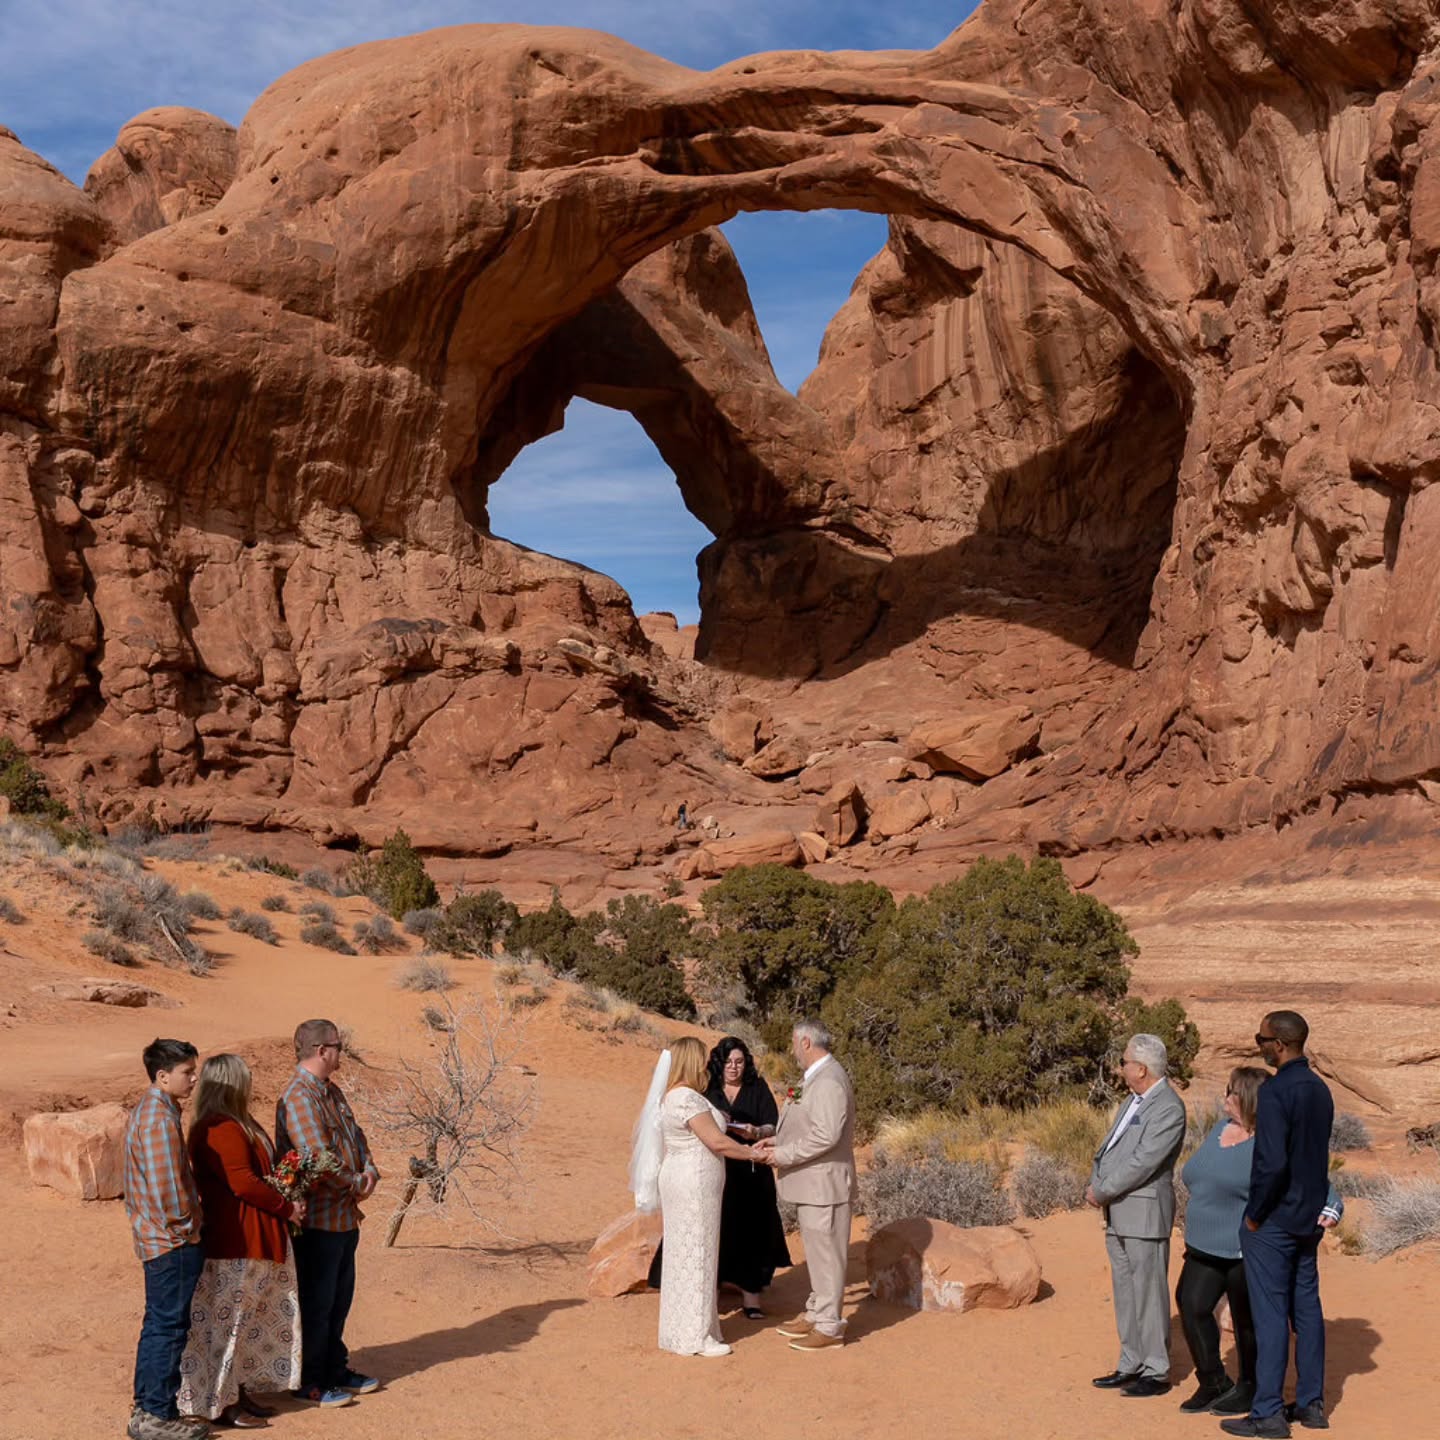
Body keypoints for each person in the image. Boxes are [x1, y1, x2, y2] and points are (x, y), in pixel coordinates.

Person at [1178, 1067, 1344, 1419]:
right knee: (1191, 1305)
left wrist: (1332, 1202)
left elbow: (1308, 1177)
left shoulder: (1269, 1140)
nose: (1224, 1097)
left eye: (1230, 1091)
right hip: (1203, 1243)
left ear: (1248, 1099)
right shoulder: (1220, 1129)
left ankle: (1250, 1386)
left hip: (1245, 1245)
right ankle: (1212, 1381)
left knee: (1248, 1322)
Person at [1221, 1011, 1336, 1439]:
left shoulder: (1275, 1092)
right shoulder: (1320, 1090)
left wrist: (1254, 1214)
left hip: (1273, 1222)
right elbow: (1314, 1158)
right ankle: (1311, 1405)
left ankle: (1267, 1412)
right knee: (1306, 1309)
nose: (1259, 1045)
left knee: (1270, 1315)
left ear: (1281, 1044)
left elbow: (1272, 1164)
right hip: (1308, 1218)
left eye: (1262, 1038)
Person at [178, 1054, 305, 1429]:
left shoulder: (236, 1123)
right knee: (229, 1322)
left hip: (252, 1237)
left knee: (244, 1321)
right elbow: (243, 1183)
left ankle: (236, 1391)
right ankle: (222, 1403)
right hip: (236, 1241)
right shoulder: (220, 1127)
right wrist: (285, 1207)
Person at [632, 1036, 763, 1356]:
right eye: (702, 1059)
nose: (707, 1065)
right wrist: (753, 1155)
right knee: (698, 1252)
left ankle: (682, 1329)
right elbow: (716, 1142)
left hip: (686, 1179)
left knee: (685, 1252)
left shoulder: (673, 1097)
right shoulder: (686, 1098)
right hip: (695, 1182)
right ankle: (696, 1335)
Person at [274, 1019, 381, 1408]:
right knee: (317, 1304)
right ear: (322, 1051)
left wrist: (368, 1171)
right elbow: (318, 1158)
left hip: (344, 1219)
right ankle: (309, 1379)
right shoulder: (300, 1097)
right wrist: (355, 1182)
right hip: (318, 1220)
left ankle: (335, 1367)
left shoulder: (331, 1092)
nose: (341, 1052)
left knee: (338, 1301)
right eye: (338, 1045)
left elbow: (357, 1138)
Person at [1087, 1032, 1187, 1398]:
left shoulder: (1168, 1108)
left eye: (1125, 1061)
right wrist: (1098, 1181)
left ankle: (1157, 1370)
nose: (1121, 1067)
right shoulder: (1133, 1101)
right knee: (1126, 1291)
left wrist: (1102, 1188)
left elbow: (1144, 1162)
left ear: (1141, 1069)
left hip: (1144, 1214)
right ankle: (1130, 1362)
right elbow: (1111, 1149)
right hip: (1118, 1213)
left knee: (1149, 1293)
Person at [754, 1019, 857, 1352]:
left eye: (794, 1043)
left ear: (807, 1042)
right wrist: (774, 1142)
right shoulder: (814, 1079)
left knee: (827, 1254)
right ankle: (816, 1312)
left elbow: (827, 1135)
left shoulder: (828, 1081)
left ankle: (829, 1327)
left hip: (824, 1185)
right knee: (817, 1252)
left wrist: (783, 1154)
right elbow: (806, 1124)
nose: (793, 1049)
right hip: (813, 1184)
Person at [123, 1037, 207, 1440]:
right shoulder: (157, 1118)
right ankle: (156, 1415)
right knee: (168, 1327)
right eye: (187, 1072)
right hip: (171, 1242)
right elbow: (168, 1193)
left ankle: (150, 1411)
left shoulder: (158, 1110)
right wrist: (190, 1228)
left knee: (160, 1324)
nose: (193, 1078)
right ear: (162, 1076)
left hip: (162, 1240)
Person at [705, 1037, 791, 1316]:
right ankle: (711, 1295)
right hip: (717, 1170)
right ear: (720, 1061)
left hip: (753, 1171)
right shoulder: (707, 1087)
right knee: (717, 1229)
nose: (734, 1067)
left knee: (753, 1231)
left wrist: (753, 1132)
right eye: (728, 1061)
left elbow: (772, 1125)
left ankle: (751, 1299)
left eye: (739, 1061)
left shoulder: (757, 1087)